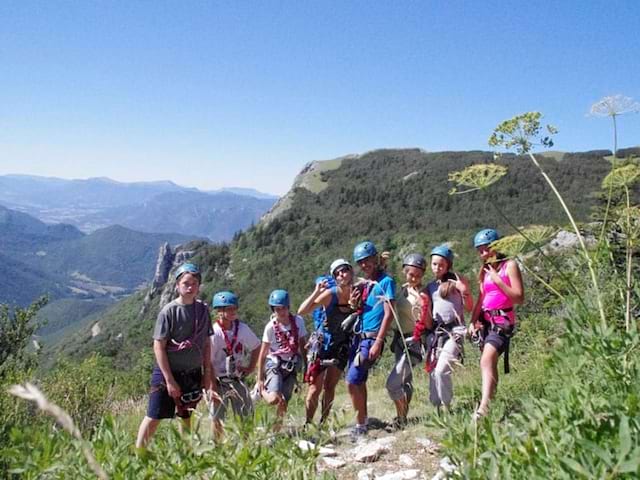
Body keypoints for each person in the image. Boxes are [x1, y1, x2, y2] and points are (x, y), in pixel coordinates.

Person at [136, 263, 216, 449]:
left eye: (194, 283)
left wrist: (207, 374)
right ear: (177, 286)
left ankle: (185, 453)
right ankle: (139, 453)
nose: (190, 287)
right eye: (186, 283)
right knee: (154, 415)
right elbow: (159, 346)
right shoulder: (169, 311)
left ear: (199, 286)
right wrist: (170, 380)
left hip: (192, 372)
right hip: (168, 373)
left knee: (186, 414)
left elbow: (206, 343)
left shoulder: (203, 311)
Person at [469, 229, 524, 418]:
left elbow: (519, 297)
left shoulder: (509, 266)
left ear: (497, 247)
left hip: (502, 322)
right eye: (481, 251)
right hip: (486, 322)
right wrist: (473, 321)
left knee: (486, 359)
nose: (484, 254)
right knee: (489, 362)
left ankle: (483, 407)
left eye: (487, 249)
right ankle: (490, 405)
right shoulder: (485, 271)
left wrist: (498, 280)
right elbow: (481, 299)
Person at [413, 246, 473, 412]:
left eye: (441, 265)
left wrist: (464, 291)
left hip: (455, 332)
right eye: (434, 264)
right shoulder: (430, 287)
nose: (437, 268)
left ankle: (446, 406)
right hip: (436, 333)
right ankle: (437, 407)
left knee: (440, 370)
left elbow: (469, 307)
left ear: (448, 265)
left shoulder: (457, 283)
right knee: (432, 371)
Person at [346, 241, 396, 439]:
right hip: (359, 337)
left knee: (351, 380)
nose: (365, 265)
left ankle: (360, 425)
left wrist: (378, 341)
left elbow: (388, 314)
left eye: (367, 261)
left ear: (375, 259)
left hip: (372, 338)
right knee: (359, 381)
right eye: (361, 262)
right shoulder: (366, 285)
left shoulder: (386, 282)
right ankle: (364, 419)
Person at [298, 259, 356, 425]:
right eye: (337, 273)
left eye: (344, 270)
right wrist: (317, 292)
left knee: (330, 386)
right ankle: (308, 423)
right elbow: (302, 311)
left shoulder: (357, 291)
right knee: (315, 387)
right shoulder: (330, 295)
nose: (341, 275)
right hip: (323, 345)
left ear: (351, 271)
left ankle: (323, 423)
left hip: (342, 345)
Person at [209, 290, 261, 440]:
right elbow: (208, 362)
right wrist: (212, 386)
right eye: (228, 309)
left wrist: (251, 367)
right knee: (218, 417)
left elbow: (256, 346)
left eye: (234, 308)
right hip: (219, 381)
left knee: (246, 413)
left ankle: (246, 443)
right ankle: (217, 447)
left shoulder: (242, 329)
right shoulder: (214, 333)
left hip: (237, 379)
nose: (233, 312)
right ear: (219, 311)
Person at [256, 289, 308, 429]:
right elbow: (263, 353)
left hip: (291, 365)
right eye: (277, 309)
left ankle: (276, 431)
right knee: (274, 399)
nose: (281, 312)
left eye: (283, 308)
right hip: (274, 364)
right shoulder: (270, 328)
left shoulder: (298, 321)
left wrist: (306, 367)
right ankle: (262, 391)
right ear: (273, 310)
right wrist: (260, 378)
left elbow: (303, 345)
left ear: (288, 307)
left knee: (284, 402)